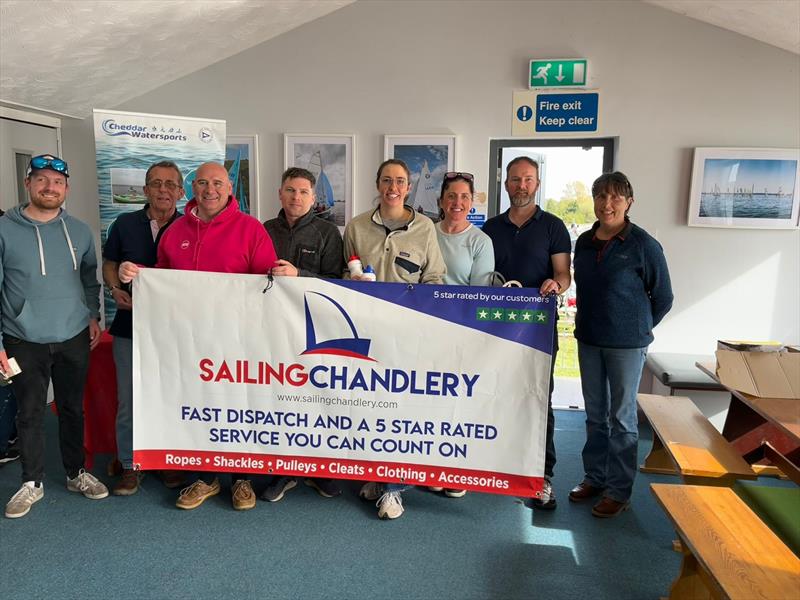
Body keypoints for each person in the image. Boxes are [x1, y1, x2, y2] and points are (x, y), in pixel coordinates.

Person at [119, 161, 278, 511]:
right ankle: (205, 478)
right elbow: (162, 280)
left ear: (229, 188)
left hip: (238, 341)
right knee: (197, 407)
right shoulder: (175, 232)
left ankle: (241, 479)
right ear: (192, 189)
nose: (210, 189)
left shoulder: (251, 230)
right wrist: (135, 273)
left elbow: (270, 284)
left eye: (217, 183)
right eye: (202, 182)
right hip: (188, 343)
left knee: (237, 407)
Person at [1, 154, 107, 519]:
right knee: (29, 412)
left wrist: (91, 314)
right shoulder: (4, 229)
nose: (50, 187)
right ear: (28, 183)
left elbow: (90, 277)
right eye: (42, 180)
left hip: (74, 334)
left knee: (72, 408)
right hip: (21, 337)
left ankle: (76, 472)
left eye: (58, 182)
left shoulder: (79, 230)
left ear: (66, 189)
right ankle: (31, 482)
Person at [343, 158, 446, 519]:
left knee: (399, 410)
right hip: (366, 331)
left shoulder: (425, 228)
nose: (393, 187)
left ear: (408, 186)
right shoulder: (356, 226)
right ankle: (377, 473)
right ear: (377, 184)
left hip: (406, 331)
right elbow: (344, 273)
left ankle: (393, 489)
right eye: (387, 180)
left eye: (400, 181)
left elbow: (434, 278)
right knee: (369, 408)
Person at [569, 172, 672, 518]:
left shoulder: (644, 245)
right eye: (601, 197)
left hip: (627, 346)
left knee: (622, 418)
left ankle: (619, 490)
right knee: (595, 416)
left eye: (615, 197)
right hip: (589, 340)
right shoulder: (584, 242)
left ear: (629, 202)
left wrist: (637, 329)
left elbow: (663, 297)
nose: (607, 204)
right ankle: (595, 478)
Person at [482, 156, 571, 511]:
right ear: (506, 184)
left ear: (537, 184)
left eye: (528, 179)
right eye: (515, 179)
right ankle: (493, 467)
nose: (521, 185)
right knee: (494, 395)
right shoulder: (489, 227)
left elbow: (564, 275)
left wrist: (556, 283)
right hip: (495, 329)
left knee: (537, 400)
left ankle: (541, 475)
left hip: (537, 329)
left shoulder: (554, 226)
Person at [261, 167, 345, 502]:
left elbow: (336, 283)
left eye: (304, 192)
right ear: (280, 193)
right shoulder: (264, 230)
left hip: (314, 330)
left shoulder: (328, 233)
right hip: (273, 329)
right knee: (280, 399)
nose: (297, 197)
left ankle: (318, 470)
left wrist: (299, 275)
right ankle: (284, 471)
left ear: (313, 197)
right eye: (291, 190)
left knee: (316, 399)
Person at [102, 160, 183, 495]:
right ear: (146, 189)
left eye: (170, 184)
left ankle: (166, 461)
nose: (163, 190)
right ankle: (130, 463)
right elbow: (109, 264)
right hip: (129, 326)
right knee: (130, 400)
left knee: (172, 397)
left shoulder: (191, 228)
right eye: (156, 183)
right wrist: (114, 288)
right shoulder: (124, 223)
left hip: (176, 332)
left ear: (181, 191)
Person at [431, 171, 495, 499]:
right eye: (451, 196)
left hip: (460, 330)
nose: (457, 203)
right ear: (441, 201)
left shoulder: (480, 241)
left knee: (459, 403)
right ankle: (430, 465)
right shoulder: (426, 232)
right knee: (430, 401)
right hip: (425, 327)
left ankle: (456, 470)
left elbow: (482, 293)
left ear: (472, 202)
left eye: (464, 197)